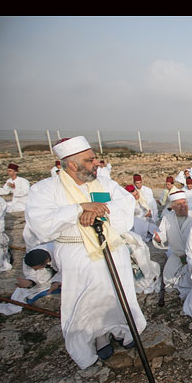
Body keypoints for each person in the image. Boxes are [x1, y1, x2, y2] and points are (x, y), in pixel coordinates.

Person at [25, 136, 147, 369]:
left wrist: (100, 209)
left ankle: (123, 330)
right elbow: (40, 222)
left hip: (112, 248)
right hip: (76, 253)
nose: (96, 163)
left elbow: (125, 203)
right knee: (87, 301)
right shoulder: (45, 189)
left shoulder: (105, 184)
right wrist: (78, 209)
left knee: (118, 294)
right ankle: (96, 338)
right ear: (72, 164)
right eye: (90, 160)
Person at [0, 244, 61, 315]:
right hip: (50, 268)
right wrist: (30, 282)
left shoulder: (60, 254)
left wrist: (57, 281)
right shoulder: (30, 257)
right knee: (34, 286)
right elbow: (31, 274)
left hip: (66, 266)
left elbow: (67, 271)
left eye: (37, 268)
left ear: (46, 261)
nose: (35, 270)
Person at [152, 190, 192, 300]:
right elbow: (162, 234)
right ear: (173, 206)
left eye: (184, 203)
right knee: (167, 279)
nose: (183, 206)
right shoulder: (167, 218)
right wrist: (158, 238)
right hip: (178, 255)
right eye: (179, 204)